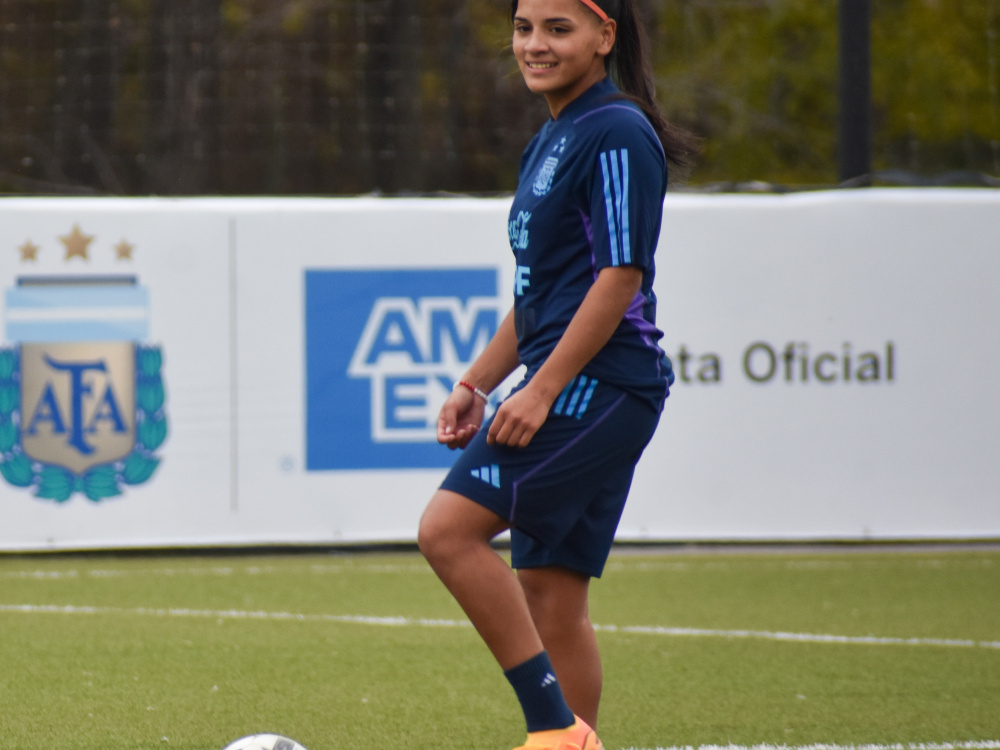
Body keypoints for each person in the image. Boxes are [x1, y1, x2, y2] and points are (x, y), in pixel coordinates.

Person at [417, 1, 698, 749]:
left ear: (605, 37)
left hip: (602, 383)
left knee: (447, 532)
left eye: (557, 28)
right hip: (586, 381)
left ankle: (555, 730)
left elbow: (619, 277)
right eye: (523, 28)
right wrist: (476, 383)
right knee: (550, 589)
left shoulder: (615, 131)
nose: (534, 44)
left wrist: (539, 391)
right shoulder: (551, 136)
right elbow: (540, 296)